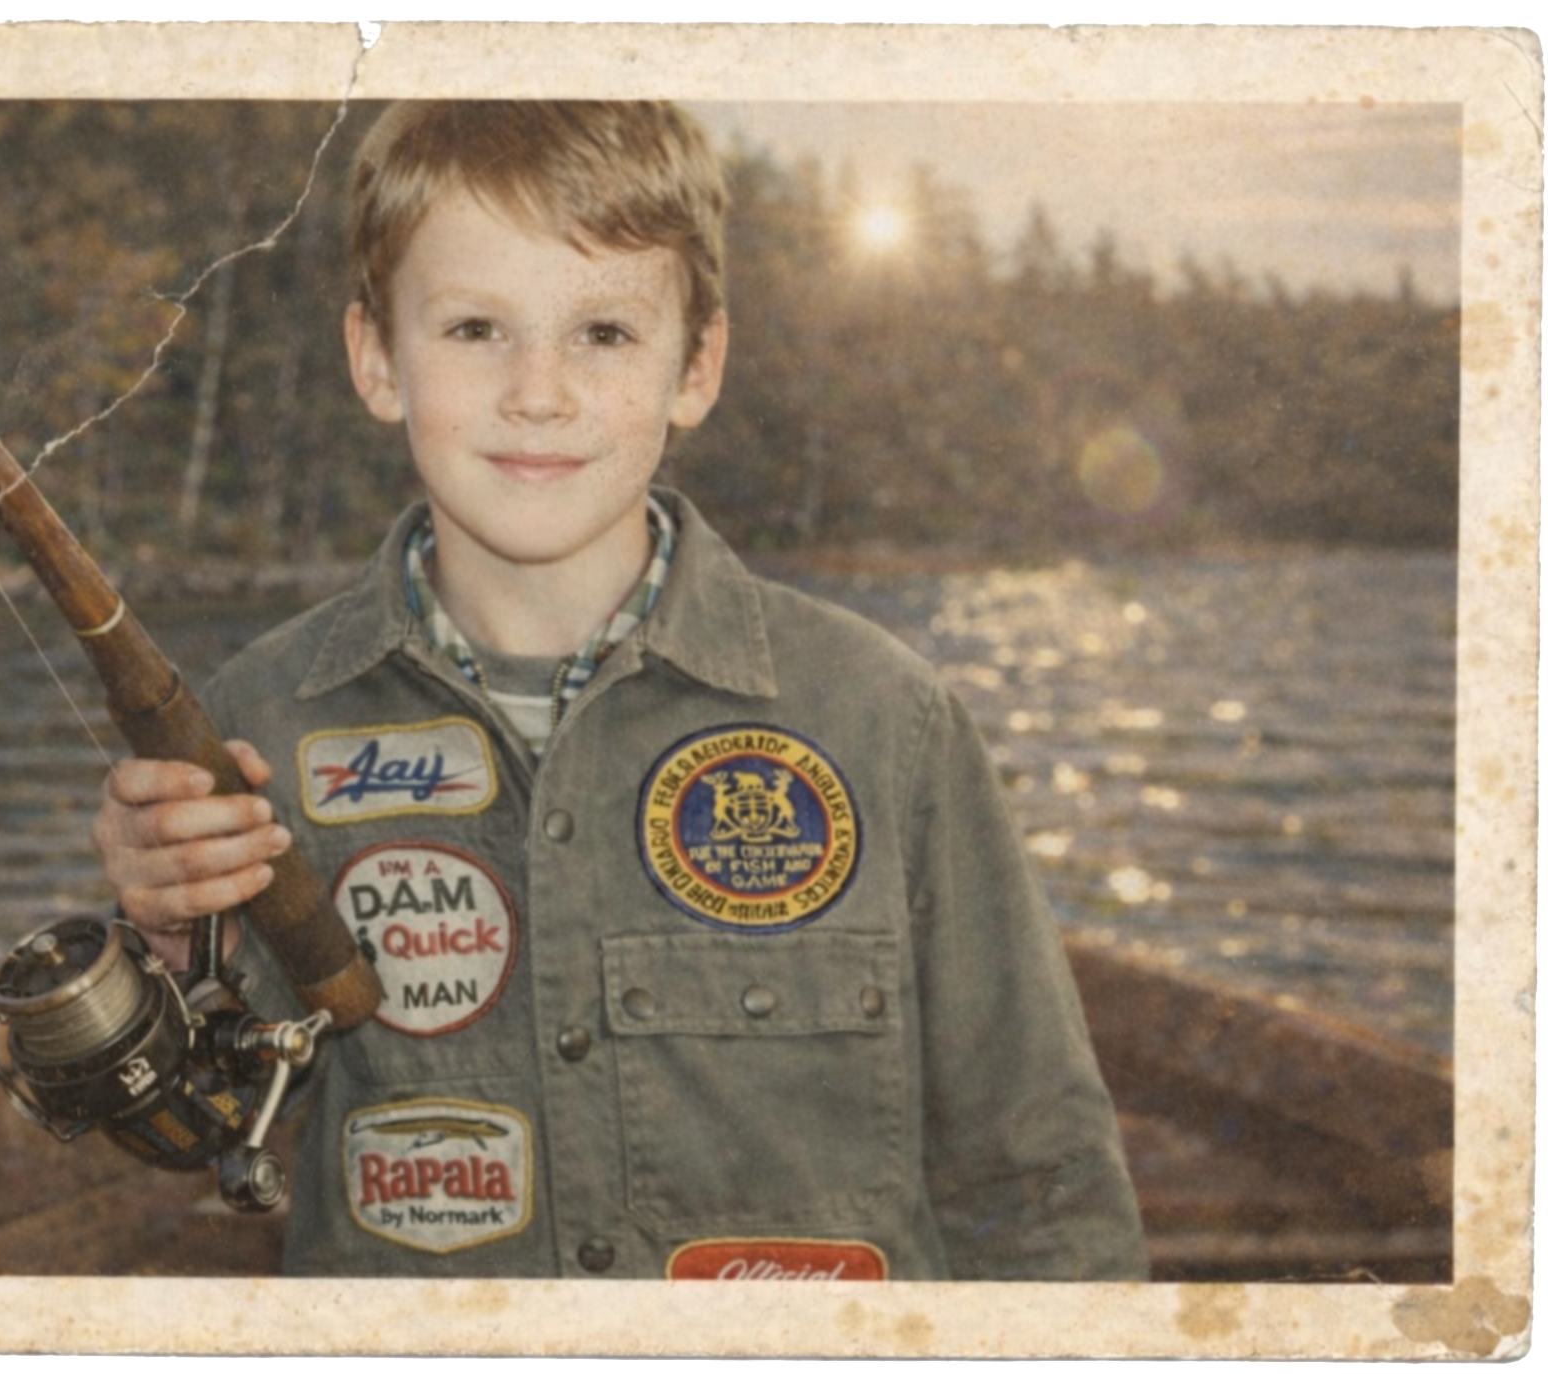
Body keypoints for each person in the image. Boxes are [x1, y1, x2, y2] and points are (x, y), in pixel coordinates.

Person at [93, 100, 1147, 1280]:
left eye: (602, 333)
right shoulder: (256, 720)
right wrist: (166, 945)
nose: (537, 391)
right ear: (377, 360)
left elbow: (1042, 1183)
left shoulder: (885, 717)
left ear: (695, 367)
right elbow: (197, 1132)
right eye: (476, 328)